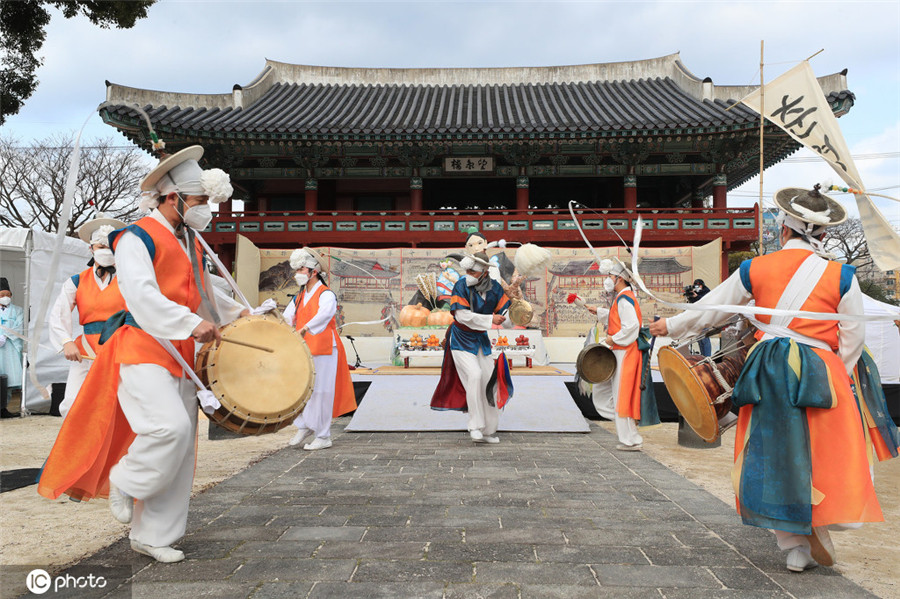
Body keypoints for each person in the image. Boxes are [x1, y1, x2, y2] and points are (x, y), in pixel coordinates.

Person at [649, 185, 883, 573]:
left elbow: (714, 308)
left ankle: (794, 545)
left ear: (784, 229)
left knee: (770, 450)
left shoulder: (754, 268)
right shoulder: (843, 275)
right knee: (823, 450)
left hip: (767, 366)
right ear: (821, 233)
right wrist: (836, 372)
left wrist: (670, 324)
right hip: (822, 370)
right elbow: (854, 336)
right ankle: (818, 521)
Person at [38, 145, 248, 563]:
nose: (206, 210)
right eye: (201, 201)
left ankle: (153, 535)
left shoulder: (187, 239)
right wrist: (190, 323)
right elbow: (141, 295)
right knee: (166, 428)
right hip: (142, 347)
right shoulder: (136, 237)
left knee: (183, 444)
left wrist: (245, 313)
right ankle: (128, 478)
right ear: (174, 198)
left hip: (184, 354)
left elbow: (205, 291)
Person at [48, 216, 127, 418]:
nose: (105, 250)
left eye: (109, 246)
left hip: (123, 345)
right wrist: (66, 341)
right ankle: (78, 448)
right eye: (100, 246)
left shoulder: (131, 278)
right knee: (72, 402)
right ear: (91, 248)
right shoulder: (76, 281)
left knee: (123, 402)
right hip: (86, 348)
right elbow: (59, 313)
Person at [431, 251, 512, 443]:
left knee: (488, 381)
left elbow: (506, 314)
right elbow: (462, 316)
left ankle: (488, 431)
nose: (468, 274)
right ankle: (475, 425)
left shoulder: (494, 288)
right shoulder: (461, 285)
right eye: (466, 270)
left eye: (472, 271)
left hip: (480, 340)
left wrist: (517, 313)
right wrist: (490, 319)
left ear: (484, 271)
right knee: (474, 375)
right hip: (460, 339)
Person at [284, 247, 356, 450]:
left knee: (322, 391)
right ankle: (305, 425)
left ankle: (323, 435)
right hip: (303, 348)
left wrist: (306, 327)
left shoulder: (326, 294)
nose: (297, 273)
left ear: (313, 271)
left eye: (300, 269)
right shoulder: (298, 297)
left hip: (324, 347)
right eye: (296, 269)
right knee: (302, 389)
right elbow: (288, 317)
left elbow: (324, 315)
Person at [589, 258, 644, 451]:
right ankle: (628, 424)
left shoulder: (623, 298)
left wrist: (613, 339)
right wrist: (598, 311)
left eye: (611, 276)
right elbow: (617, 317)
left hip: (626, 352)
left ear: (619, 278)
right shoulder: (622, 297)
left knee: (621, 396)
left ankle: (631, 439)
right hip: (621, 351)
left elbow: (632, 327)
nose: (608, 279)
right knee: (604, 392)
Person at [0, 277, 24, 418]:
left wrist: (5, 336)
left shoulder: (18, 310)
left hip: (10, 347)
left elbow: (19, 326)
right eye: (2, 295)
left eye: (8, 295)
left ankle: (4, 407)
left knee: (8, 378)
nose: (5, 298)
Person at [687, 279, 712, 356]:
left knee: (704, 339)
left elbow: (705, 301)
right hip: (697, 318)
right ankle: (703, 356)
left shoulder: (707, 292)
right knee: (699, 340)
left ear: (702, 285)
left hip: (705, 318)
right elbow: (693, 302)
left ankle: (707, 357)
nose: (697, 287)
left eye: (698, 285)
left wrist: (697, 296)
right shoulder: (696, 292)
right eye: (695, 286)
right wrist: (690, 296)